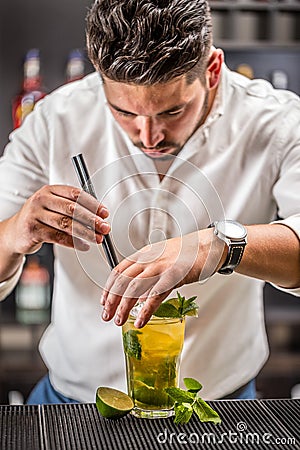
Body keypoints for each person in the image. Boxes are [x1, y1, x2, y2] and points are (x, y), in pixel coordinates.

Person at [0, 0, 299, 404]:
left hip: (219, 400)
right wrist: (15, 231)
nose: (148, 136)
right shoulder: (55, 120)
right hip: (72, 398)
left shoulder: (276, 122)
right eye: (123, 112)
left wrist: (218, 245)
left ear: (211, 70)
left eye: (172, 110)